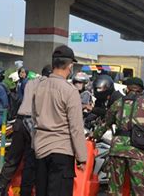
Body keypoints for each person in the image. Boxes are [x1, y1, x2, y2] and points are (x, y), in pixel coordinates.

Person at [93, 77, 144, 195]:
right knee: (139, 190)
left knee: (114, 189)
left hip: (117, 151)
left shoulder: (117, 103)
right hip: (137, 151)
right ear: (142, 91)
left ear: (127, 89)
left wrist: (93, 137)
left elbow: (104, 125)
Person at [32, 45, 87, 196]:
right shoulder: (70, 91)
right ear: (70, 66)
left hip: (40, 150)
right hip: (62, 152)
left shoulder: (39, 86)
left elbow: (34, 117)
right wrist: (82, 157)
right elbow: (76, 127)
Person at [0, 65, 52, 196]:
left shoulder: (30, 82)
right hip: (32, 125)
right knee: (30, 162)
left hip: (19, 122)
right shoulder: (49, 86)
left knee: (12, 158)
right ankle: (25, 192)